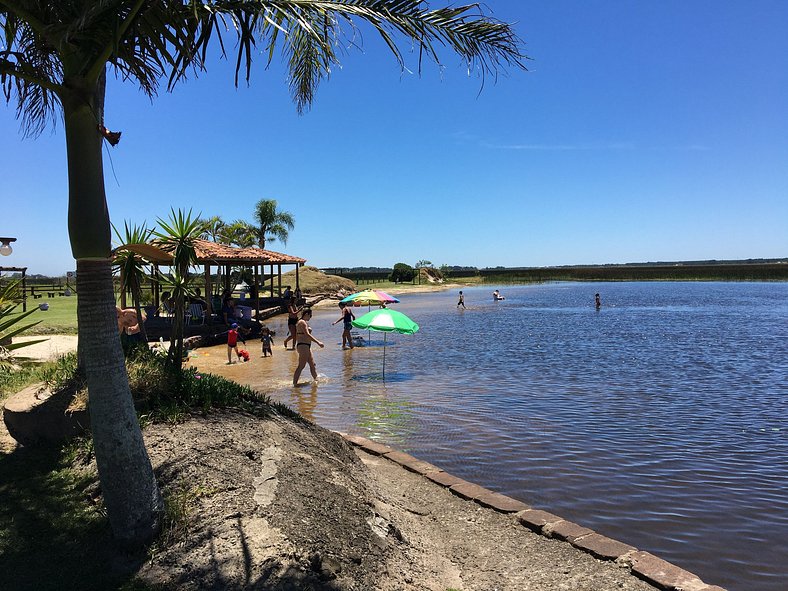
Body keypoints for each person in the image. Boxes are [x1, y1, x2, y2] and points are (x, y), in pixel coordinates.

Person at [293, 308, 324, 386]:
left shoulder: (304, 322)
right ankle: (294, 384)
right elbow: (307, 334)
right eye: (310, 315)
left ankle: (316, 381)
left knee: (312, 364)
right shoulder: (302, 322)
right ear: (306, 314)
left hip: (306, 346)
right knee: (301, 365)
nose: (311, 317)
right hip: (303, 345)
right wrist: (318, 342)